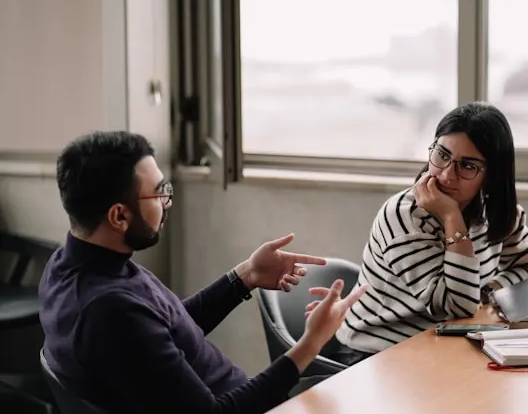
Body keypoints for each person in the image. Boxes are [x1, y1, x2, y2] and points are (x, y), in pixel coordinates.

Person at [38, 131, 367, 414]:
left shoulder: (70, 266)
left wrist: (245, 276)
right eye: (159, 192)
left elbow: (167, 326)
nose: (167, 202)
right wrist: (312, 343)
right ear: (119, 217)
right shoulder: (109, 310)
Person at [331, 102, 528, 359]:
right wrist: (451, 216)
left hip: (446, 344)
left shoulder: (493, 210)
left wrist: (486, 291)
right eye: (442, 155)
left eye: (467, 165)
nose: (446, 175)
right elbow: (457, 307)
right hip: (376, 355)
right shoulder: (404, 217)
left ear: (492, 175)